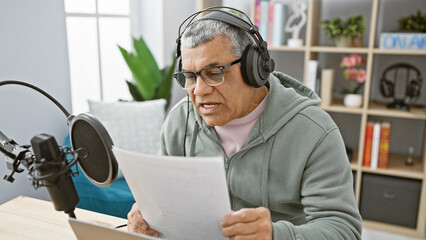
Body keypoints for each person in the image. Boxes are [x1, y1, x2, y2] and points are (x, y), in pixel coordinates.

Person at [127, 8, 362, 240]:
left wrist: (274, 235)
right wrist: (146, 214)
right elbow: (162, 195)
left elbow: (343, 230)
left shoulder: (315, 132)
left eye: (214, 72)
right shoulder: (180, 121)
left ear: (254, 68)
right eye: (190, 77)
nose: (199, 90)